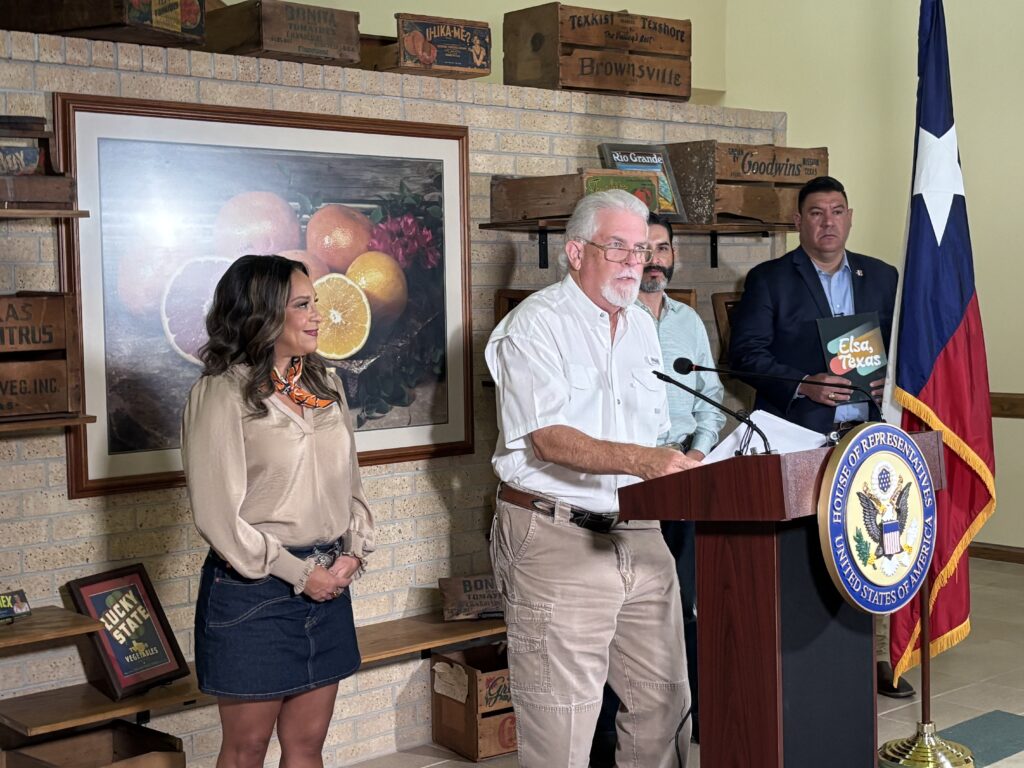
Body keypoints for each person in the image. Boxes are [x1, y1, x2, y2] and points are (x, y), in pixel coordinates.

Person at [487, 189, 698, 768]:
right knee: (562, 726)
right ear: (576, 252)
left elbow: (654, 436)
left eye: (645, 249)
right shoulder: (534, 325)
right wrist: (643, 461)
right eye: (621, 247)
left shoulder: (640, 328)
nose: (638, 261)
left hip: (639, 531)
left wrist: (681, 464)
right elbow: (547, 438)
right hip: (556, 535)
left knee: (666, 706)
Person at [181, 254, 375, 768]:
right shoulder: (220, 394)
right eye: (303, 305)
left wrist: (353, 553)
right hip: (255, 593)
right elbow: (218, 518)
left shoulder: (325, 386)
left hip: (330, 583)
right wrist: (299, 574)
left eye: (317, 303)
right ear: (263, 313)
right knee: (245, 751)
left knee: (308, 746)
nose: (318, 315)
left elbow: (351, 483)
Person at [728, 175, 912, 698]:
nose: (827, 221)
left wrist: (893, 377)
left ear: (850, 218)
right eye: (816, 212)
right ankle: (805, 657)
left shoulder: (882, 276)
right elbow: (746, 355)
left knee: (879, 542)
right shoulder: (769, 279)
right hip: (801, 434)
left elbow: (910, 346)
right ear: (798, 221)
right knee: (809, 548)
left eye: (836, 211)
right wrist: (802, 383)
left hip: (873, 432)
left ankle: (877, 657)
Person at [591, 212, 724, 761]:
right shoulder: (605, 320)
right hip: (625, 490)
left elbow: (709, 399)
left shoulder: (688, 322)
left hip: (683, 483)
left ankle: (681, 723)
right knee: (616, 616)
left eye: (663, 250)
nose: (654, 261)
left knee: (683, 608)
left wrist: (695, 454)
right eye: (645, 250)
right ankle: (605, 739)